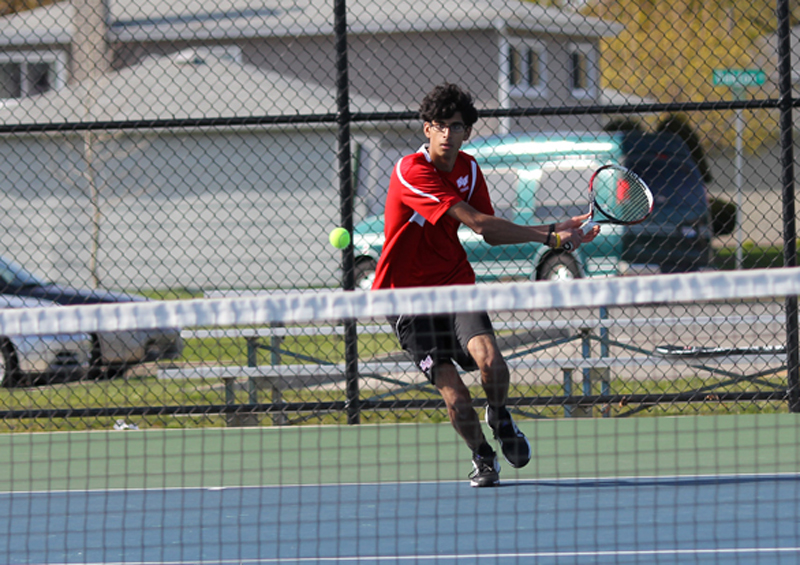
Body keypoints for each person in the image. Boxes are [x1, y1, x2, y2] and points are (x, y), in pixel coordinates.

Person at [371, 83, 599, 487]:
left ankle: (499, 414)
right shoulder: (411, 170)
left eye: (455, 126)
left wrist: (554, 228)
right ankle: (482, 455)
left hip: (455, 285)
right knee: (457, 399)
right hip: (406, 299)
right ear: (427, 129)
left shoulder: (470, 169)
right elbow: (474, 222)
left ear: (466, 132)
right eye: (439, 125)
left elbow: (492, 233)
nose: (446, 134)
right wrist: (548, 235)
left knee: (492, 363)